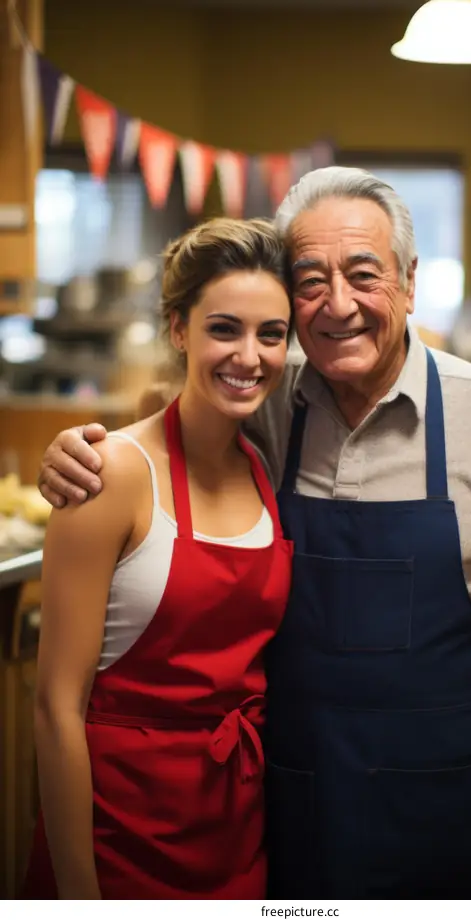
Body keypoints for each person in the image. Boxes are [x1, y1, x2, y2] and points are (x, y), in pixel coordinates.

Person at [38, 167, 471, 899]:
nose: (339, 305)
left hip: (454, 805)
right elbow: (170, 412)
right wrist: (73, 452)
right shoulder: (271, 399)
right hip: (296, 811)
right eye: (310, 281)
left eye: (364, 274)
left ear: (409, 281)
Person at [23, 218, 293, 899]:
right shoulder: (110, 472)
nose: (249, 355)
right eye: (224, 328)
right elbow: (57, 706)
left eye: (271, 334)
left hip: (236, 824)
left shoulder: (265, 464)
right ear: (179, 329)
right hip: (117, 831)